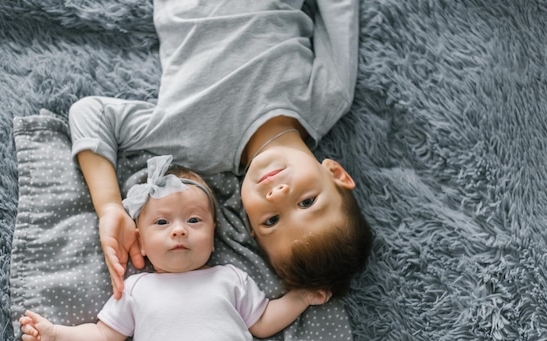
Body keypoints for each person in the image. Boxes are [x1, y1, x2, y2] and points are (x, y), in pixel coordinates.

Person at [68, 0, 372, 301]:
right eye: (307, 202)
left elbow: (91, 114)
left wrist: (109, 207)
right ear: (336, 173)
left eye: (271, 221)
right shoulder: (329, 97)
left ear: (248, 224)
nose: (277, 195)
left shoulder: (197, 147)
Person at [19, 156, 330, 341]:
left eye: (194, 221)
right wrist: (55, 336)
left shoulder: (230, 278)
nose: (179, 230)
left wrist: (300, 297)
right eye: (162, 223)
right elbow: (102, 336)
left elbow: (262, 322)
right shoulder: (136, 289)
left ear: (213, 234)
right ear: (139, 238)